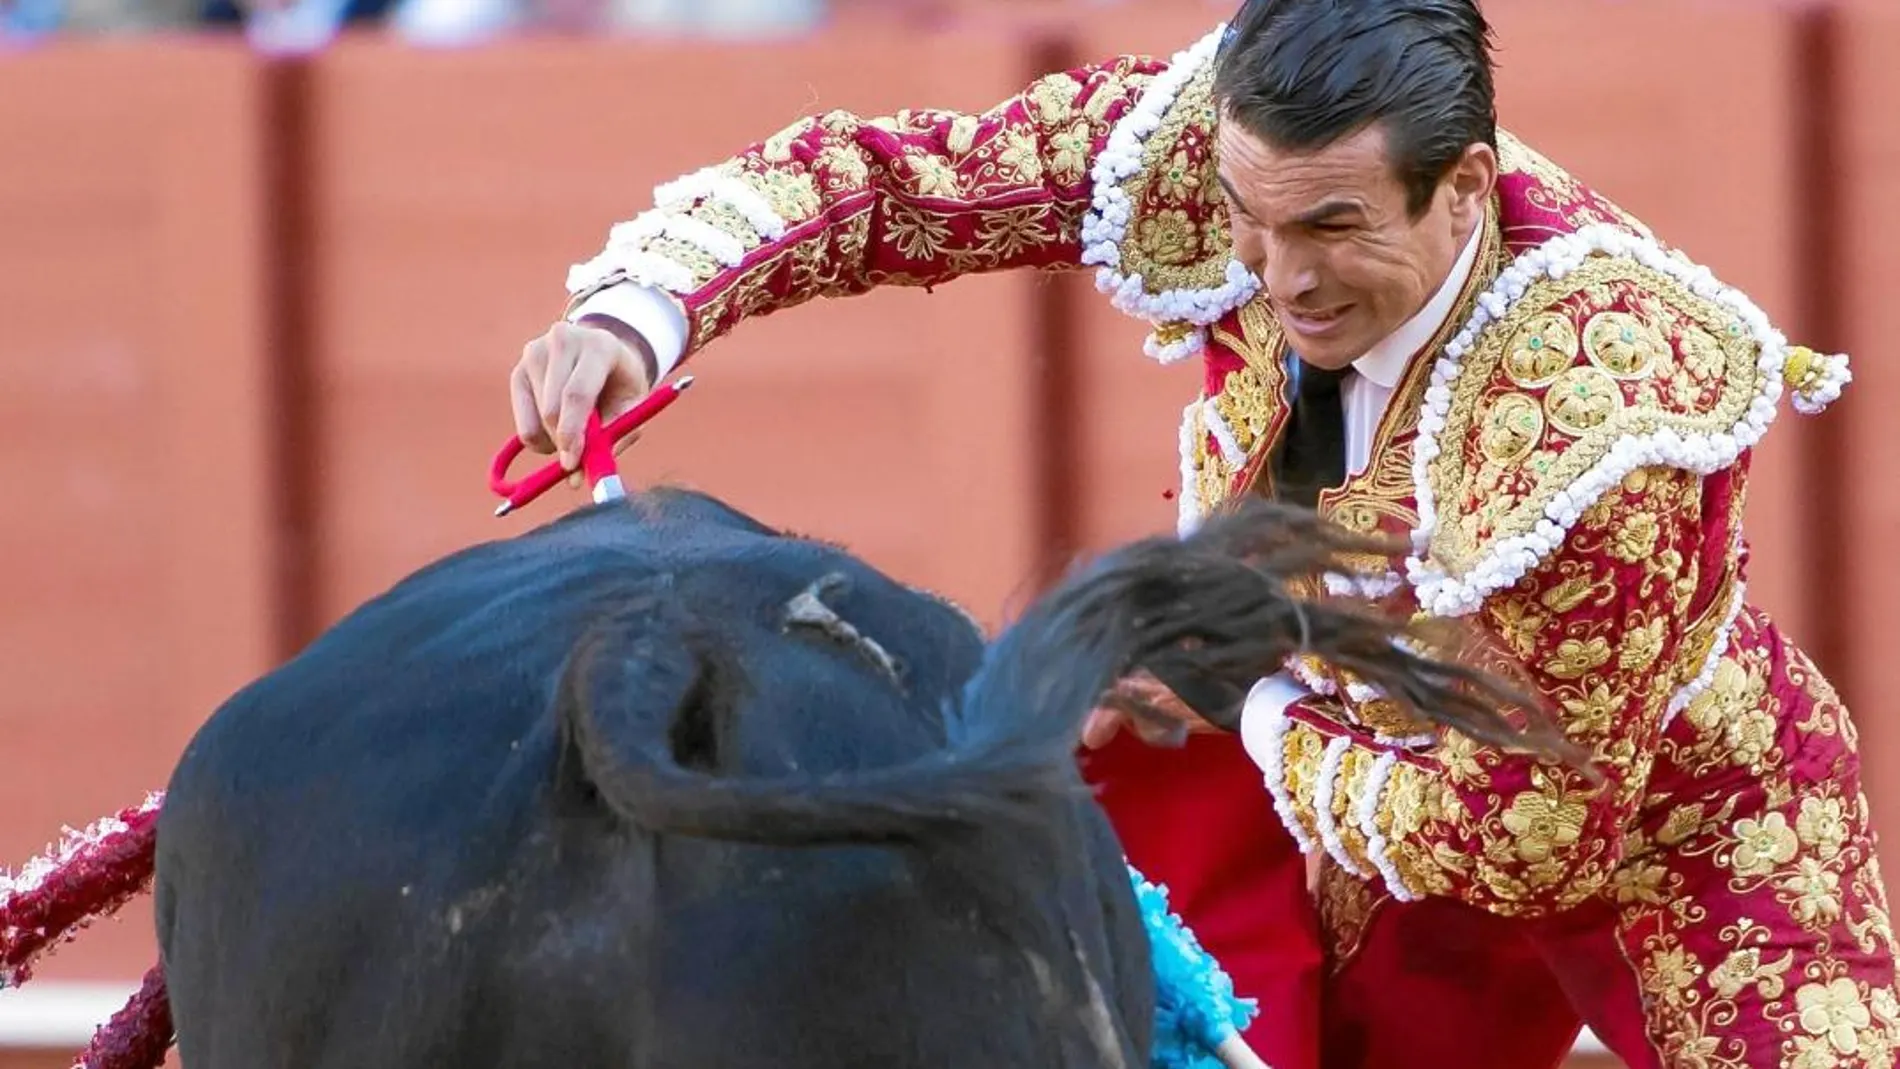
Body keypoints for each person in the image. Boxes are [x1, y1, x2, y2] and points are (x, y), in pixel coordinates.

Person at [507, 1, 1896, 1065]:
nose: (1280, 277)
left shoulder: (1600, 398)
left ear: (1464, 189)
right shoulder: (1220, 146)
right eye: (1248, 218)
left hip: (1646, 813)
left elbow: (1523, 837)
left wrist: (1258, 689)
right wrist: (646, 307)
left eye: (1334, 228)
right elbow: (902, 185)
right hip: (1314, 754)